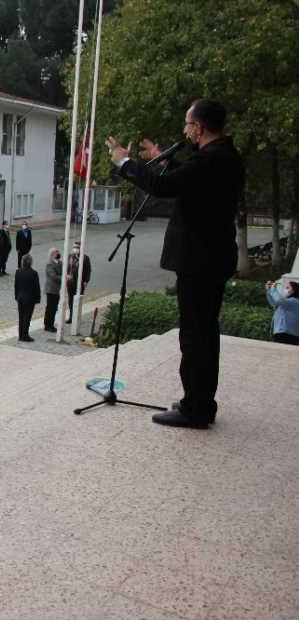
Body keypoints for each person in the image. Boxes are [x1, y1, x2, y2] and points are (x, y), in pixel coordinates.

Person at [107, 98, 245, 429]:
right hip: (212, 258)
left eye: (188, 124)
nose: (185, 130)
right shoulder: (225, 156)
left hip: (200, 260)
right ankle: (200, 402)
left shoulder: (212, 159)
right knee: (203, 333)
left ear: (199, 127)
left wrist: (125, 162)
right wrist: (162, 160)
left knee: (195, 336)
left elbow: (165, 187)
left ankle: (194, 408)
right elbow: (189, 182)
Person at [14, 254, 41, 342]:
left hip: (20, 298)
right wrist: (37, 299)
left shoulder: (18, 272)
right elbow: (36, 287)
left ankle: (20, 335)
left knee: (21, 317)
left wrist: (16, 296)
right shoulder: (33, 273)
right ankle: (25, 335)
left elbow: (16, 286)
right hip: (30, 299)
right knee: (27, 317)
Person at [65, 242, 92, 324]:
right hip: (70, 283)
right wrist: (66, 275)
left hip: (80, 282)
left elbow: (88, 270)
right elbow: (66, 267)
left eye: (77, 247)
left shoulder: (85, 258)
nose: (75, 249)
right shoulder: (70, 256)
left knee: (78, 300)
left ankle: (77, 317)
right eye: (74, 247)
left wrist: (86, 281)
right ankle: (71, 317)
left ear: (80, 248)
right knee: (71, 300)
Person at [266, 280, 299, 345]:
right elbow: (274, 303)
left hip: (287, 335)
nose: (285, 290)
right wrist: (269, 291)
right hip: (282, 333)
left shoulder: (295, 301)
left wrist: (273, 289)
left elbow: (278, 300)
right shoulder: (286, 302)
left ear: (294, 290)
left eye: (287, 288)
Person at [44, 248, 63, 333]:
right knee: (50, 308)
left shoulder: (60, 263)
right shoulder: (49, 264)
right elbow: (53, 276)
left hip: (57, 289)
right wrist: (64, 277)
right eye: (56, 252)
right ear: (52, 254)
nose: (58, 253)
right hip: (51, 289)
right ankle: (48, 325)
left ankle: (51, 324)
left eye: (58, 251)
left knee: (54, 308)